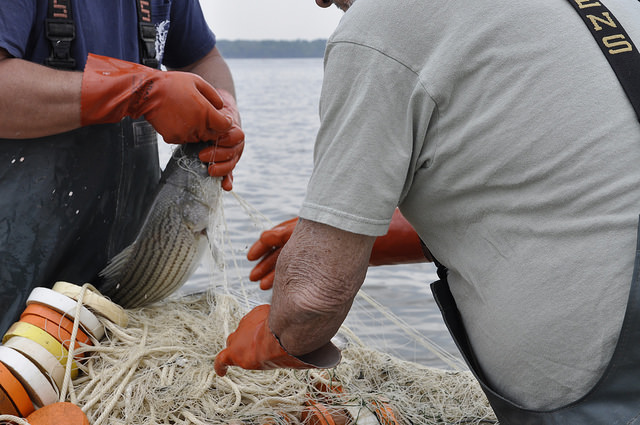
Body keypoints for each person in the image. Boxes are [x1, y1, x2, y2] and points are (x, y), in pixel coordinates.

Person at [214, 0, 640, 423]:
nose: (320, 1)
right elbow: (565, 185)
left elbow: (313, 300)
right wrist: (372, 236)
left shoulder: (380, 23)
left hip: (599, 400)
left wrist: (271, 335)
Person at [0, 0, 244, 336]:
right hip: (12, 272)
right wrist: (138, 91)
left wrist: (225, 110)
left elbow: (203, 59)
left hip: (125, 283)